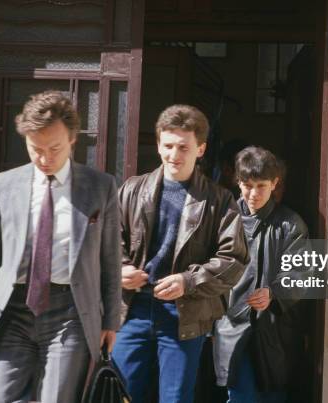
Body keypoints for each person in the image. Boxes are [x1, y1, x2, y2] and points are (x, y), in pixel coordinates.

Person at [0, 91, 122, 402]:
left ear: (72, 140)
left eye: (55, 148)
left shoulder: (100, 186)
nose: (45, 158)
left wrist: (110, 321)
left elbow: (110, 259)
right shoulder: (3, 185)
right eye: (35, 149)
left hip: (70, 312)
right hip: (13, 312)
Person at [113, 104, 250, 403]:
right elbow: (107, 241)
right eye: (168, 146)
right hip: (131, 309)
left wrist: (188, 281)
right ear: (159, 143)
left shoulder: (219, 199)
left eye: (183, 147)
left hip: (184, 313)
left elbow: (234, 259)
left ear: (200, 149)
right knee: (120, 394)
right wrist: (119, 269)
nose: (174, 155)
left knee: (175, 398)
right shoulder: (132, 190)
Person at [213, 146, 309, 403]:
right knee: (240, 394)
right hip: (232, 323)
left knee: (272, 395)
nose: (253, 194)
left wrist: (273, 292)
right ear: (238, 181)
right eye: (247, 185)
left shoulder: (291, 224)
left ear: (275, 183)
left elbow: (300, 273)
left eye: (261, 186)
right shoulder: (224, 218)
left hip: (273, 331)